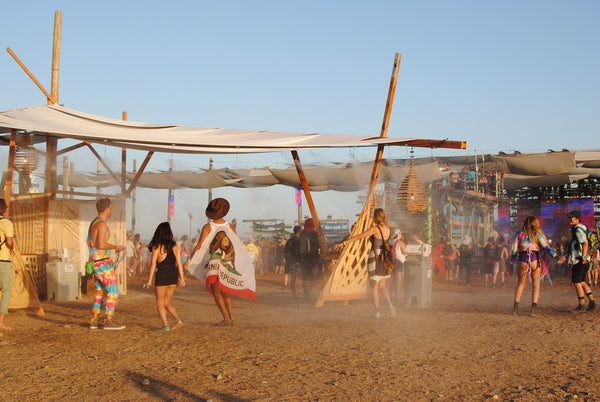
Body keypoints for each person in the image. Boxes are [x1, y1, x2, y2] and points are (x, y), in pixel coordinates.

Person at [186, 198, 256, 325]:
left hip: (214, 263)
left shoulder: (208, 227)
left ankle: (226, 318)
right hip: (227, 262)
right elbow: (237, 246)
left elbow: (199, 245)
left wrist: (189, 260)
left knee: (216, 291)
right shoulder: (230, 227)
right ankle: (231, 317)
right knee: (226, 291)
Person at [335, 208, 395, 318]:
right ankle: (391, 306)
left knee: (375, 287)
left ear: (376, 217)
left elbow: (359, 236)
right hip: (385, 260)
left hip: (375, 259)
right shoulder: (388, 229)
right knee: (383, 286)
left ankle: (377, 311)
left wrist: (344, 243)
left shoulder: (375, 229)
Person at [87, 198, 125, 330]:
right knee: (113, 291)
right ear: (107, 208)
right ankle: (108, 320)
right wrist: (116, 247)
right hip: (102, 263)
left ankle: (94, 319)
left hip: (95, 262)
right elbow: (100, 244)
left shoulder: (93, 223)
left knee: (100, 292)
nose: (112, 210)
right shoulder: (102, 224)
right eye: (111, 208)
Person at [511, 216, 557, 316]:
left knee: (520, 283)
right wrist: (555, 256)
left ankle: (515, 308)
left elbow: (514, 250)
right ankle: (533, 309)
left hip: (522, 258)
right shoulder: (538, 235)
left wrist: (511, 263)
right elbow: (546, 247)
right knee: (536, 285)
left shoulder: (519, 234)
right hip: (534, 258)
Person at [144, 222, 186, 331]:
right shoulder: (174, 245)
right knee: (167, 302)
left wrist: (149, 281)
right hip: (173, 274)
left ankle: (165, 325)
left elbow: (153, 264)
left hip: (162, 274)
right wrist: (182, 278)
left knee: (160, 303)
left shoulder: (157, 246)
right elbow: (179, 263)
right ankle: (177, 319)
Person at [567, 210, 595, 311]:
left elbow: (585, 243)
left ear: (577, 219)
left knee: (577, 282)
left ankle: (581, 304)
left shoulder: (578, 229)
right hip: (585, 260)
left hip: (579, 260)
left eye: (572, 218)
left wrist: (583, 256)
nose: (569, 219)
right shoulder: (584, 228)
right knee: (582, 281)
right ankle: (591, 301)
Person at [0, 199, 14, 331]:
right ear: (4, 209)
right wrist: (12, 247)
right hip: (3, 261)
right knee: (6, 292)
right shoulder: (6, 223)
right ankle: (1, 322)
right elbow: (9, 241)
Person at [299, 218, 321, 299]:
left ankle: (306, 294)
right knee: (317, 276)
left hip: (303, 259)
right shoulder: (314, 234)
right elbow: (318, 245)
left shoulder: (302, 234)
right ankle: (309, 290)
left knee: (305, 278)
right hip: (313, 259)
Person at [283, 225, 302, 294]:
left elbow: (286, 251)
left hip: (291, 261)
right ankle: (304, 293)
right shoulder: (299, 241)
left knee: (293, 278)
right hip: (296, 261)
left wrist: (288, 260)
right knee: (302, 277)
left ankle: (294, 293)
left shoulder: (289, 241)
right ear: (299, 231)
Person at [390, 229, 406, 302]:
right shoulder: (400, 242)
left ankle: (391, 295)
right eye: (400, 233)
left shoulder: (390, 242)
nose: (401, 234)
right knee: (399, 280)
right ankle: (398, 297)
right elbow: (404, 252)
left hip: (392, 262)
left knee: (393, 280)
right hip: (399, 261)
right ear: (397, 234)